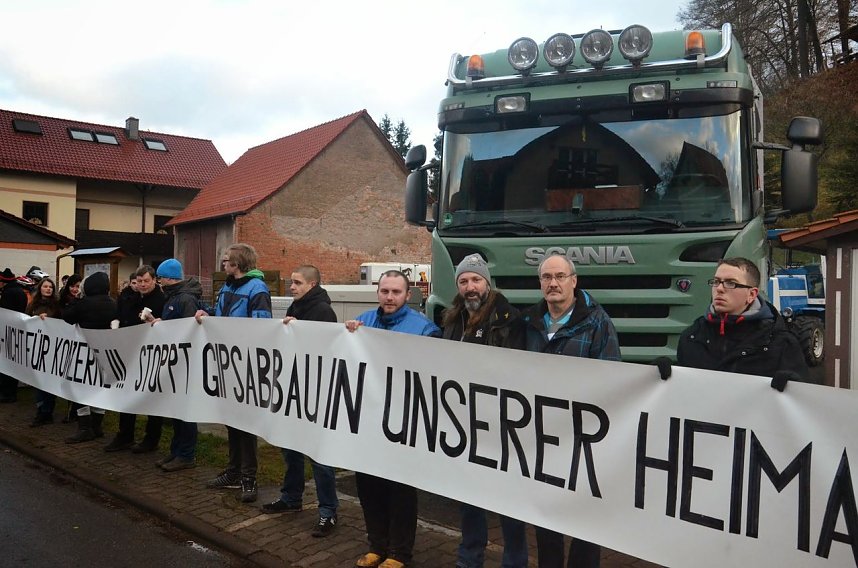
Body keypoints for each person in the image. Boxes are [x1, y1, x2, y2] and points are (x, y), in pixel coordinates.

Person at [519, 253, 620, 568]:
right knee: (547, 518)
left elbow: (611, 377)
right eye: (547, 278)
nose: (553, 283)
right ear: (540, 284)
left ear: (573, 281)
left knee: (583, 518)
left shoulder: (598, 322)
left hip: (582, 438)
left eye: (560, 276)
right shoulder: (527, 323)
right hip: (542, 437)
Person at [345, 270, 441, 568]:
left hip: (403, 423)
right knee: (369, 487)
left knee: (399, 491)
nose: (389, 297)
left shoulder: (424, 328)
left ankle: (400, 553)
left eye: (396, 292)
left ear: (407, 294)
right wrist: (346, 334)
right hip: (367, 420)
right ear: (378, 292)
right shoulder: (363, 322)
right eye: (385, 291)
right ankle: (376, 545)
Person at [442, 254, 528, 568]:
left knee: (509, 504)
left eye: (475, 280)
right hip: (466, 425)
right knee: (470, 501)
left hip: (502, 425)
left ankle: (514, 562)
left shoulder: (509, 319)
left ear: (486, 284)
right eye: (463, 282)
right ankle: (469, 559)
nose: (470, 287)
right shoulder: (451, 320)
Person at [262, 265, 340, 536]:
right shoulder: (296, 307)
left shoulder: (322, 311)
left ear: (312, 284)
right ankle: (291, 497)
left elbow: (326, 350)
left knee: (319, 456)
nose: (291, 287)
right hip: (294, 389)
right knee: (290, 447)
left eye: (296, 283)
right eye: (290, 282)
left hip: (315, 392)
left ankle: (328, 511)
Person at [197, 244, 272, 503]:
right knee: (231, 419)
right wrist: (206, 315)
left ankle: (248, 477)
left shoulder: (257, 289)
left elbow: (261, 328)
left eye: (226, 260)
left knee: (246, 423)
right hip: (226, 362)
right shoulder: (227, 287)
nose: (223, 263)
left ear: (237, 264)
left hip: (246, 365)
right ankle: (233, 472)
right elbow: (221, 316)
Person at [677, 257, 810, 380]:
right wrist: (664, 377)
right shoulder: (691, 337)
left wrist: (794, 387)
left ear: (751, 294)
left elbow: (802, 400)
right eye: (716, 282)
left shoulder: (781, 344)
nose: (719, 289)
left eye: (731, 283)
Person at [144, 259, 202, 472]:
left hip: (184, 365)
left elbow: (188, 330)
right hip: (176, 362)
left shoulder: (184, 299)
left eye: (160, 278)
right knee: (176, 411)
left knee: (185, 412)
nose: (159, 282)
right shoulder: (175, 297)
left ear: (169, 278)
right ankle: (177, 451)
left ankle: (186, 454)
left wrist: (162, 326)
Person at [105, 265, 166, 453]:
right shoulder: (128, 295)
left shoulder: (161, 298)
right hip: (128, 351)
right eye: (139, 281)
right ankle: (125, 435)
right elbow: (119, 313)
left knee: (151, 397)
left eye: (146, 281)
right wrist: (115, 322)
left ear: (154, 280)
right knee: (126, 394)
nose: (142, 285)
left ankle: (151, 439)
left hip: (150, 354)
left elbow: (168, 323)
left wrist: (157, 321)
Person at [62, 272, 116, 443]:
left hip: (84, 354)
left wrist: (77, 299)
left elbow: (67, 317)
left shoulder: (83, 304)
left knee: (79, 388)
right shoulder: (114, 303)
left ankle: (84, 427)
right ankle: (97, 426)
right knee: (100, 388)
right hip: (105, 353)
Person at [26, 277, 63, 425]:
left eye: (51, 287)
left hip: (51, 348)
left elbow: (61, 323)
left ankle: (47, 411)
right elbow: (25, 320)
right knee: (38, 381)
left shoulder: (57, 306)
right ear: (40, 288)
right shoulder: (32, 305)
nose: (48, 289)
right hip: (36, 346)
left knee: (48, 381)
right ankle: (40, 409)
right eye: (45, 286)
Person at [0, 268, 29, 403]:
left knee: (6, 364)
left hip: (7, 332)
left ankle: (7, 393)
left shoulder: (7, 293)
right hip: (16, 331)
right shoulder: (20, 291)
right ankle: (10, 392)